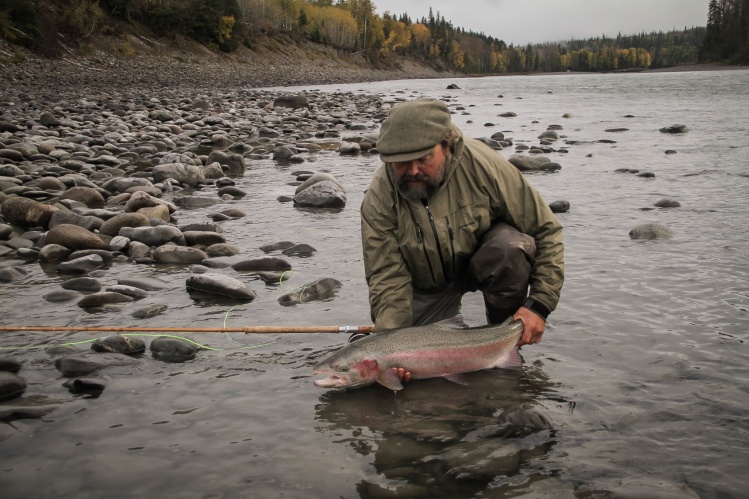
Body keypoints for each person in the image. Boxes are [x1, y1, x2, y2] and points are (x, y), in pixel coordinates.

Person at [356, 97, 564, 363]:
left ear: (447, 145)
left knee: (509, 246)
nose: (413, 171)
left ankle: (504, 341)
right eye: (400, 163)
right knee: (410, 363)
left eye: (423, 158)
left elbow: (546, 231)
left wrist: (539, 305)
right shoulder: (379, 198)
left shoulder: (485, 167)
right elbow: (386, 277)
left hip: (485, 263)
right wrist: (390, 347)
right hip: (426, 287)